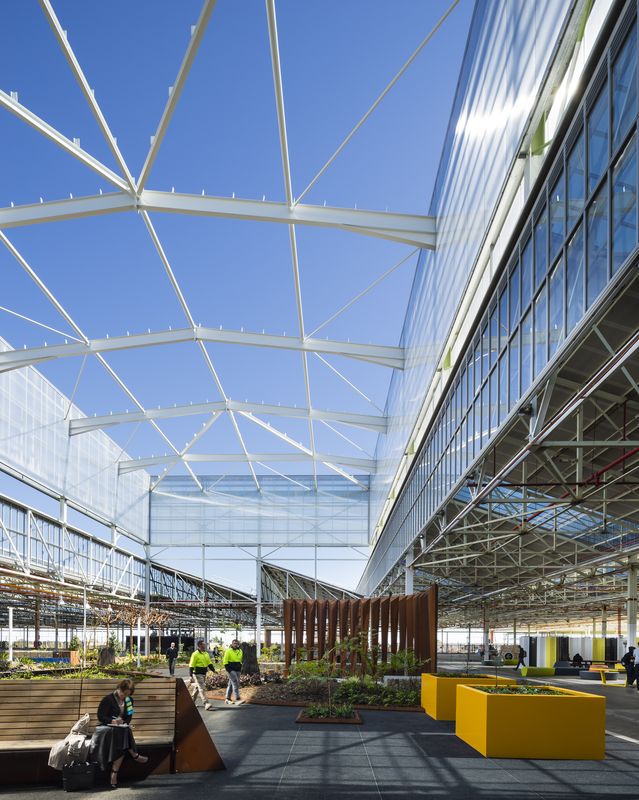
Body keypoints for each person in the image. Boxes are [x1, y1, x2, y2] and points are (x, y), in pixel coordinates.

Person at [95, 679, 148, 789]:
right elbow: (101, 716)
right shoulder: (108, 699)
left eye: (128, 694)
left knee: (124, 733)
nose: (125, 696)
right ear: (119, 689)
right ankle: (135, 755)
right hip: (106, 729)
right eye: (123, 693)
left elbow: (129, 717)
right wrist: (112, 721)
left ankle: (114, 773)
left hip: (120, 730)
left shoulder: (129, 700)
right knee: (124, 732)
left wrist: (124, 722)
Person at [189, 639, 216, 711]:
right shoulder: (195, 654)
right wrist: (190, 675)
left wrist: (214, 670)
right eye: (203, 645)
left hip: (204, 673)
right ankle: (206, 703)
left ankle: (191, 702)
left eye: (205, 645)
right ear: (199, 646)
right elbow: (191, 665)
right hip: (197, 673)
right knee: (202, 688)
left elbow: (209, 663)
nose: (205, 646)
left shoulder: (206, 654)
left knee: (198, 688)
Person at [223, 639, 244, 705]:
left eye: (237, 643)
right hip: (231, 669)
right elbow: (225, 661)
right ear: (232, 644)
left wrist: (240, 666)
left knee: (231, 684)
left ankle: (227, 698)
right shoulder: (228, 651)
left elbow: (240, 660)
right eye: (234, 643)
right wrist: (228, 670)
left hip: (238, 670)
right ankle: (237, 699)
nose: (235, 644)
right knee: (235, 682)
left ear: (238, 644)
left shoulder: (240, 651)